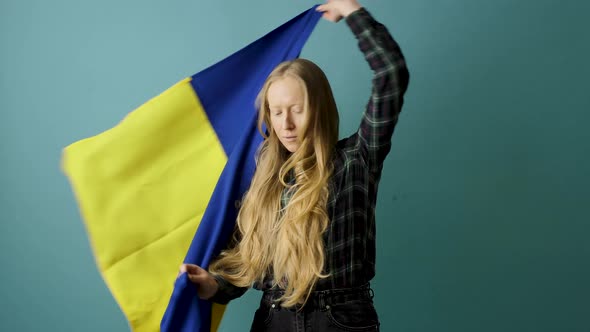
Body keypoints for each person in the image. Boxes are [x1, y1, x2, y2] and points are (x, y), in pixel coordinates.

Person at [178, 0, 410, 330]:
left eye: (297, 109)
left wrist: (352, 13)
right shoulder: (261, 180)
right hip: (274, 319)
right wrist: (213, 284)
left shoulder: (355, 161)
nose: (286, 123)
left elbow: (391, 74)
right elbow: (246, 262)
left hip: (339, 319)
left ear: (320, 109)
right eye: (276, 111)